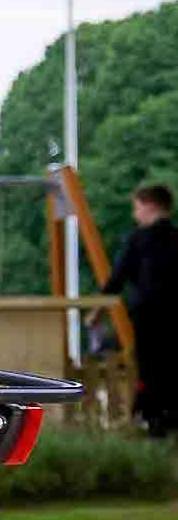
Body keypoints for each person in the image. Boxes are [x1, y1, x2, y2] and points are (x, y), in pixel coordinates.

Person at [106, 182, 177, 435]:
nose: (135, 215)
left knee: (150, 366)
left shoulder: (139, 239)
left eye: (136, 207)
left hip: (148, 315)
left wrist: (99, 308)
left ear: (149, 205)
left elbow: (119, 277)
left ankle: (153, 418)